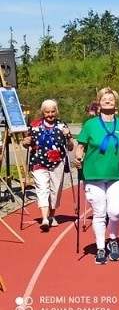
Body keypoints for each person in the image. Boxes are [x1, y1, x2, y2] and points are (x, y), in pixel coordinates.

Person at [74, 88, 119, 265]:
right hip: (93, 174)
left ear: (116, 103)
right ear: (99, 102)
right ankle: (100, 247)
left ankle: (113, 240)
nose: (108, 101)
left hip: (116, 174)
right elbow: (80, 146)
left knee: (114, 212)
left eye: (111, 99)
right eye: (104, 99)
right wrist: (78, 158)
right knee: (99, 212)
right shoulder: (90, 125)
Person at [23, 99, 74, 232]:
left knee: (55, 190)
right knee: (42, 188)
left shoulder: (62, 125)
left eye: (52, 112)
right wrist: (26, 141)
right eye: (47, 112)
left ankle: (52, 216)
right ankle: (44, 218)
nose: (50, 115)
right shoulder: (34, 125)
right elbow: (26, 142)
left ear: (56, 111)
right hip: (38, 161)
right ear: (42, 112)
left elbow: (70, 147)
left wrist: (68, 136)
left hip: (57, 162)